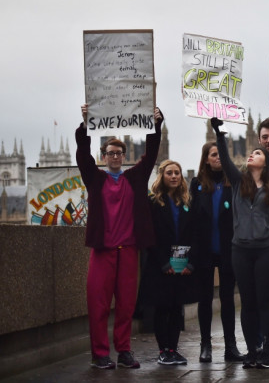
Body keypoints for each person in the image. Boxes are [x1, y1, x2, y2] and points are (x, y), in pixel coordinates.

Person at [74, 104, 162, 370]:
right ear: (104, 156)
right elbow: (82, 156)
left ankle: (124, 351)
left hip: (128, 250)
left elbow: (151, 155)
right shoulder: (95, 178)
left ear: (125, 156)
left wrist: (156, 125)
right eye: (110, 153)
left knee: (126, 305)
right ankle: (100, 353)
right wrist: (84, 125)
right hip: (102, 251)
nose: (115, 156)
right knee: (98, 305)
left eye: (119, 153)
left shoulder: (134, 178)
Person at [211, 117, 269, 369]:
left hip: (266, 249)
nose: (252, 155)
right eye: (252, 152)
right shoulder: (238, 182)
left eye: (257, 153)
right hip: (240, 250)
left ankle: (266, 351)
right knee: (246, 302)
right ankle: (252, 350)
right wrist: (219, 134)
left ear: (265, 161)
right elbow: (224, 160)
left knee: (264, 302)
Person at [139, 160, 201, 365]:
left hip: (181, 264)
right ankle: (163, 350)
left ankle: (173, 349)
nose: (174, 176)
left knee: (177, 308)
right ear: (162, 176)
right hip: (160, 265)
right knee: (162, 307)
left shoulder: (187, 202)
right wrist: (163, 262)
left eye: (177, 173)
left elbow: (194, 234)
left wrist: (189, 263)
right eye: (169, 173)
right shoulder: (154, 202)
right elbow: (150, 236)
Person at [190, 142, 244, 363]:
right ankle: (205, 345)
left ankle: (230, 346)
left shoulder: (232, 183)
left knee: (227, 299)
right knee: (204, 299)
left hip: (227, 248)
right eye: (214, 155)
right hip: (204, 249)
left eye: (221, 154)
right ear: (206, 159)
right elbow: (192, 216)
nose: (218, 158)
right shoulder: (196, 184)